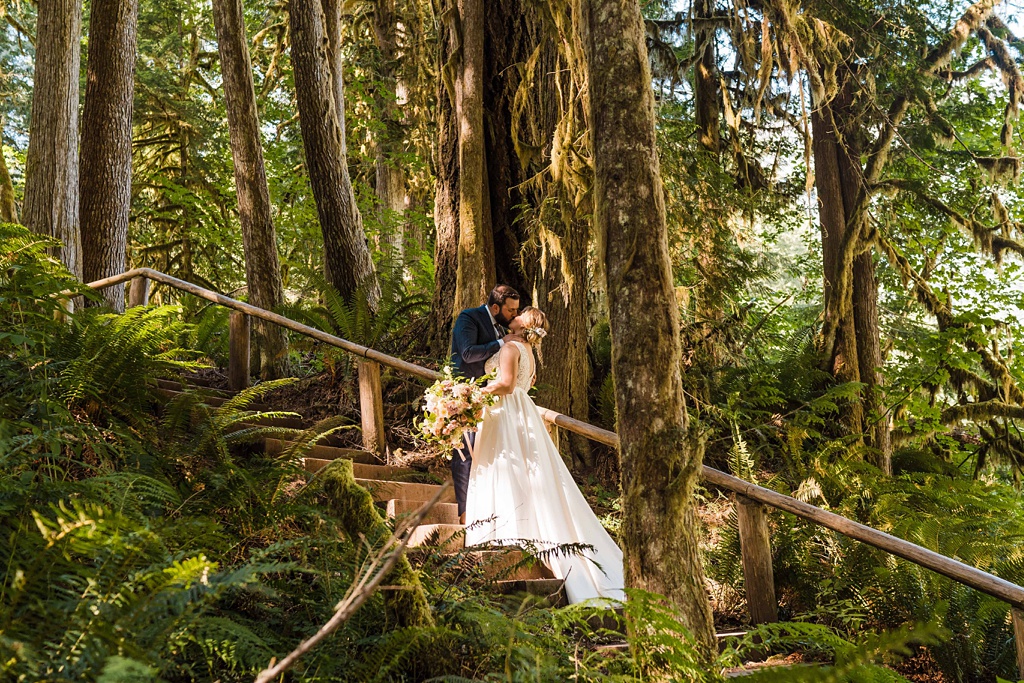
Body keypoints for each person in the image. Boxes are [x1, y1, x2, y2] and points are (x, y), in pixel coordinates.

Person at [465, 307, 625, 604]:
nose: (510, 317)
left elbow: (508, 384)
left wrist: (473, 394)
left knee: (504, 467)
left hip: (506, 411)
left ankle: (507, 533)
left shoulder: (512, 347)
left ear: (522, 324)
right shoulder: (528, 350)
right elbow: (527, 383)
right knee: (518, 470)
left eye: (516, 315)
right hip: (519, 411)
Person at [449, 285, 522, 524]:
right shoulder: (469, 318)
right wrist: (502, 342)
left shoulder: (501, 326)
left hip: (489, 401)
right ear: (495, 307)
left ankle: (486, 514)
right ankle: (464, 514)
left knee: (487, 456)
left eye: (516, 310)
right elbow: (468, 354)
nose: (514, 315)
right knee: (465, 453)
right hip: (465, 395)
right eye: (511, 310)